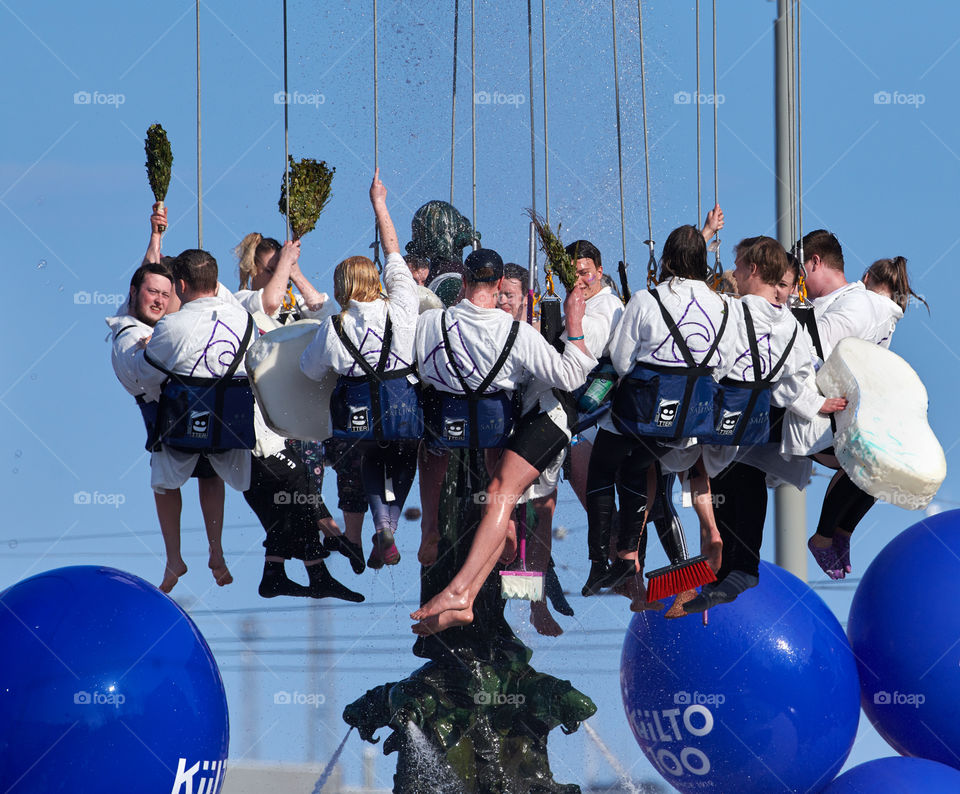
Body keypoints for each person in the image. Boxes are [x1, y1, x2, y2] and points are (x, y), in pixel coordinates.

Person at [411, 250, 596, 635]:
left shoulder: (431, 323)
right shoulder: (516, 333)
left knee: (498, 495)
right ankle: (464, 599)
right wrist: (573, 328)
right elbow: (574, 374)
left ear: (463, 284)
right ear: (498, 287)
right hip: (522, 423)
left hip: (547, 420)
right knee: (500, 501)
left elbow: (422, 371)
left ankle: (460, 591)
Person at [681, 238, 843, 612]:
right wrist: (819, 404)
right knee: (746, 474)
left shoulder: (728, 312)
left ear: (753, 270)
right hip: (759, 418)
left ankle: (727, 565)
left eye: (738, 266)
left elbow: (707, 357)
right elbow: (793, 385)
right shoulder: (791, 325)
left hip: (721, 414)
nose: (734, 273)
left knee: (719, 474)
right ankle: (741, 565)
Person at [583, 223, 736, 601]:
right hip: (684, 423)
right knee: (636, 468)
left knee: (602, 466)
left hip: (639, 415)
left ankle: (600, 561)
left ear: (665, 259)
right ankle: (629, 551)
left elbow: (620, 361)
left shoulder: (645, 300)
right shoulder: (724, 305)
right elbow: (724, 365)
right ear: (703, 261)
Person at [301, 170, 420, 570]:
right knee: (401, 461)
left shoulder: (333, 327)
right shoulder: (402, 307)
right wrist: (380, 203)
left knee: (371, 460)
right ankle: (387, 528)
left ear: (340, 288)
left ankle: (381, 528)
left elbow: (309, 370)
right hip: (402, 405)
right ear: (376, 280)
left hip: (358, 417)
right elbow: (394, 253)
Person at [780, 231, 906, 578]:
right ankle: (830, 534)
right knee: (870, 463)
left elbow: (811, 349)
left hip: (825, 410)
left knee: (876, 464)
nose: (795, 283)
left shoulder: (857, 305)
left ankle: (832, 534)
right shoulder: (862, 305)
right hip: (813, 409)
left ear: (815, 262)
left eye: (799, 272)